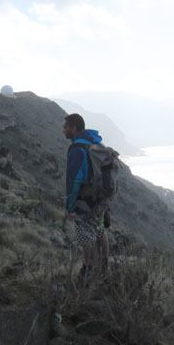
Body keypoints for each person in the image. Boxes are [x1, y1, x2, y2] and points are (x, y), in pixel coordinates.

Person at [63, 113, 109, 281]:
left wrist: (70, 206)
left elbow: (74, 180)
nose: (63, 130)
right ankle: (104, 267)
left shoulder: (77, 149)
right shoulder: (95, 142)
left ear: (75, 127)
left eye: (66, 127)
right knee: (99, 230)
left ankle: (88, 270)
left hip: (85, 199)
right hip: (101, 198)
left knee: (84, 234)